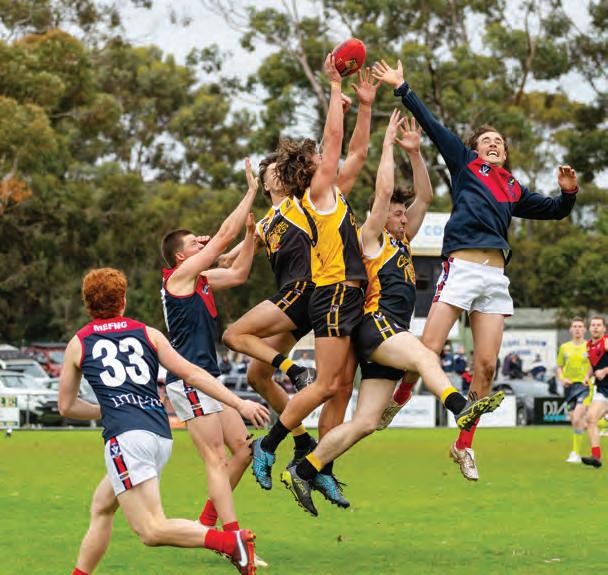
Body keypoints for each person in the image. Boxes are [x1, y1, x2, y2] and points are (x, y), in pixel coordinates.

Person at [280, 110, 505, 516]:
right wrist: (386, 147)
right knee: (425, 355)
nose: (404, 217)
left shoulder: (402, 242)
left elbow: (426, 196)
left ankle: (304, 469)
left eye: (404, 214)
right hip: (376, 326)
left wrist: (415, 154)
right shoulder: (372, 238)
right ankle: (460, 406)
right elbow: (383, 192)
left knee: (366, 422)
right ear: (381, 215)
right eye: (397, 213)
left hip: (390, 336)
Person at [372, 59, 579, 481]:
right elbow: (432, 126)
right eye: (487, 140)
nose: (494, 143)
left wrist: (569, 193)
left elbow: (556, 210)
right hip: (462, 268)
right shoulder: (466, 164)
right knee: (427, 349)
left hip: (495, 279)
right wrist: (403, 87)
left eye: (499, 141)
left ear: (505, 152)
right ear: (475, 148)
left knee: (486, 367)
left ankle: (463, 445)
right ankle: (402, 395)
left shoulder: (514, 187)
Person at [59, 268, 270, 575]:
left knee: (151, 530)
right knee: (102, 506)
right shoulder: (149, 334)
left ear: (87, 304)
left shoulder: (80, 342)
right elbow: (193, 373)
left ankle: (230, 542)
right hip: (159, 437)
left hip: (127, 440)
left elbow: (66, 406)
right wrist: (239, 403)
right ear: (123, 300)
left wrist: (103, 410)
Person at [222, 68, 379, 469]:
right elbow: (235, 256)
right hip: (319, 295)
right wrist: (209, 257)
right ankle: (301, 443)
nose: (274, 168)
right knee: (263, 376)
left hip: (314, 292)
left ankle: (310, 456)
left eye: (279, 166)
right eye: (270, 169)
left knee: (334, 386)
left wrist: (351, 104)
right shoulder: (271, 219)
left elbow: (347, 150)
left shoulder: (304, 200)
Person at [160, 161, 261, 546]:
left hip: (207, 378)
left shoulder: (198, 278)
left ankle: (206, 522)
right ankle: (233, 541)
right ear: (180, 258)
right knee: (216, 459)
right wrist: (250, 192)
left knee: (244, 451)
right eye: (193, 244)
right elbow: (221, 238)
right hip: (189, 381)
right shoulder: (180, 278)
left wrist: (250, 236)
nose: (201, 244)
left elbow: (237, 274)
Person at [557, 317, 591, 463]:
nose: (577, 329)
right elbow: (559, 367)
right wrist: (562, 379)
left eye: (580, 326)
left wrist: (589, 377)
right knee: (576, 421)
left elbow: (595, 365)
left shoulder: (589, 346)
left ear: (585, 330)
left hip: (585, 386)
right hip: (570, 387)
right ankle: (599, 424)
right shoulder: (564, 347)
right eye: (575, 326)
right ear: (571, 329)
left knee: (577, 418)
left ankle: (575, 453)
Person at [581, 316, 608, 468]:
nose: (596, 327)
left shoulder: (606, 341)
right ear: (589, 328)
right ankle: (596, 456)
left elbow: (602, 367)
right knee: (591, 418)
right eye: (593, 325)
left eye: (599, 325)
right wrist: (587, 376)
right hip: (603, 390)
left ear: (604, 328)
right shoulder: (589, 345)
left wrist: (605, 370)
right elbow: (593, 365)